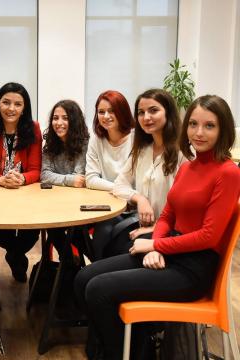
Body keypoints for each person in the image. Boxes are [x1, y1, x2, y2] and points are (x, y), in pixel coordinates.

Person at [74, 94, 240, 360]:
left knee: (98, 290)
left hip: (192, 269)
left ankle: (121, 354)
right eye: (194, 124)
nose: (199, 132)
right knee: (83, 277)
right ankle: (136, 349)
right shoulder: (189, 167)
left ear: (223, 130)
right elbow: (167, 217)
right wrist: (158, 247)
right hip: (170, 252)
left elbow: (209, 237)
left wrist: (155, 244)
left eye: (209, 126)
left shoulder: (228, 172)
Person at [0, 82, 42, 282]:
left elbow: (35, 170)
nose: (11, 108)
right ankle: (15, 255)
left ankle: (14, 255)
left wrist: (22, 179)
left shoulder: (33, 128)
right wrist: (1, 180)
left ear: (24, 108)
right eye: (6, 102)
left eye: (17, 104)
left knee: (31, 234)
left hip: (26, 192)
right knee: (1, 235)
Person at [107, 88, 184, 257]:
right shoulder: (142, 150)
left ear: (168, 113)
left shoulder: (184, 153)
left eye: (153, 110)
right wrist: (140, 199)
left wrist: (155, 228)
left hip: (171, 232)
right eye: (141, 112)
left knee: (118, 251)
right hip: (143, 225)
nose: (146, 117)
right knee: (105, 239)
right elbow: (119, 185)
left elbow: (186, 209)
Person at [84, 90, 135, 260]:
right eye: (101, 112)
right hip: (107, 204)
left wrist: (126, 194)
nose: (106, 116)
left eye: (112, 111)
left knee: (107, 230)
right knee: (72, 229)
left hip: (133, 206)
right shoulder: (96, 139)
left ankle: (96, 271)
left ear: (122, 111)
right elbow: (90, 179)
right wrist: (119, 190)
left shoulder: (136, 139)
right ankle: (84, 269)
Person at [40, 99, 89, 259]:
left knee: (72, 231)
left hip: (80, 204)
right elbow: (45, 175)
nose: (59, 123)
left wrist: (61, 179)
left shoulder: (84, 144)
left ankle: (78, 264)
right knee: (52, 224)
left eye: (65, 118)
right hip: (56, 204)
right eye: (55, 118)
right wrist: (69, 180)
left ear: (74, 121)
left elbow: (80, 177)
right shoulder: (50, 144)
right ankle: (69, 263)